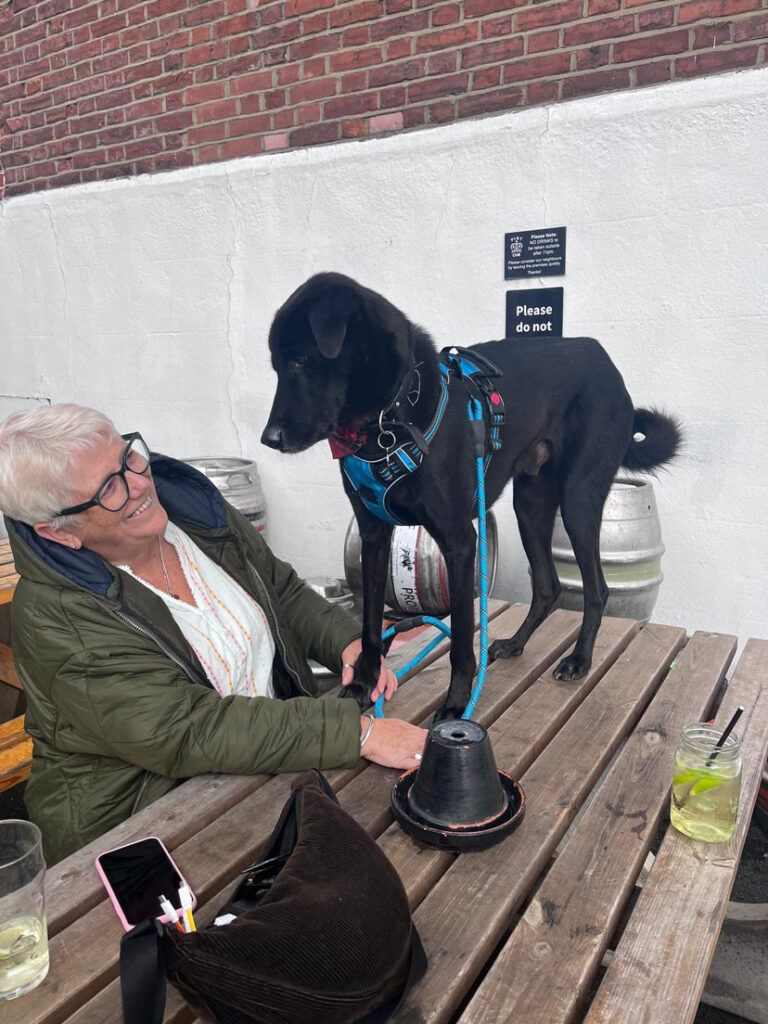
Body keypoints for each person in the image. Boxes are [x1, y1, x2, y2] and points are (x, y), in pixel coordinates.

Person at [0, 404, 427, 863]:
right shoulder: (59, 618)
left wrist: (349, 641)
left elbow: (277, 587)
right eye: (109, 488)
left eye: (129, 457)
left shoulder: (194, 517)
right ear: (59, 533)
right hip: (140, 829)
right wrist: (358, 734)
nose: (140, 484)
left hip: (260, 772)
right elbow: (189, 728)